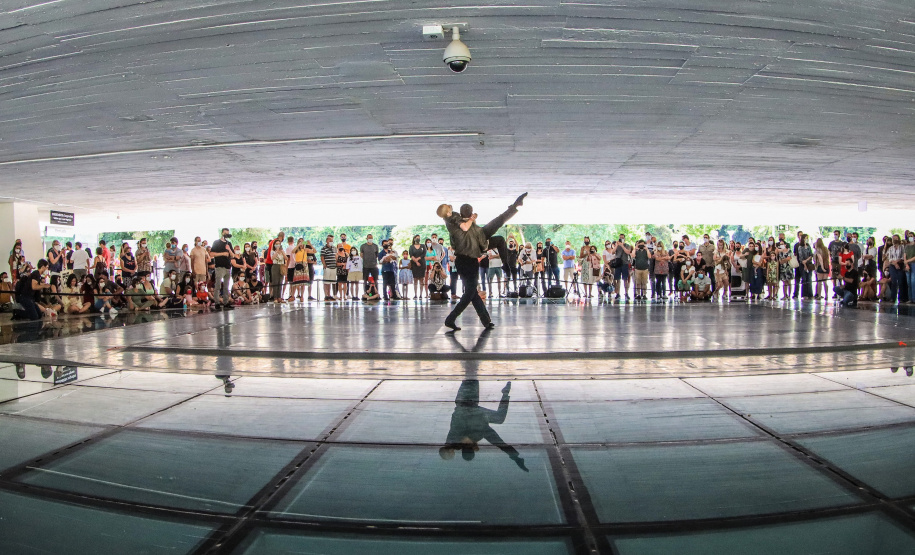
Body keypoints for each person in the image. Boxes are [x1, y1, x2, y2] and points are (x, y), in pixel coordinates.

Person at [440, 192, 526, 331]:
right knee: (470, 293)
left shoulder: (459, 223)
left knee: (473, 293)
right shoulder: (459, 224)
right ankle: (451, 319)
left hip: (467, 259)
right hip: (468, 259)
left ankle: (486, 321)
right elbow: (494, 223)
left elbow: (497, 221)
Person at [210, 228, 234, 307]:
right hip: (219, 266)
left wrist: (229, 249)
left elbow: (232, 255)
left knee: (226, 286)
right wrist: (222, 253)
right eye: (225, 233)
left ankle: (226, 302)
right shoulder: (216, 242)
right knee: (218, 285)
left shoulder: (229, 243)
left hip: (227, 267)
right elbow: (211, 254)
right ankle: (217, 302)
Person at [613, 234, 632, 300]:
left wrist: (622, 246)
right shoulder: (617, 245)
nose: (621, 239)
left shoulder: (627, 245)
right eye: (620, 238)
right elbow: (613, 252)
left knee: (625, 279)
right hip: (618, 264)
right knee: (618, 279)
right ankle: (618, 293)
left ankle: (626, 293)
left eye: (622, 238)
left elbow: (628, 252)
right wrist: (616, 245)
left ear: (624, 239)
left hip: (625, 263)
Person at [409, 235, 427, 300]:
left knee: (422, 279)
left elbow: (424, 254)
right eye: (416, 238)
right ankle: (415, 294)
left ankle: (421, 294)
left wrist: (418, 259)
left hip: (422, 263)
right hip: (414, 264)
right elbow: (411, 255)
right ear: (414, 239)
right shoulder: (411, 247)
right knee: (415, 279)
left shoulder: (423, 246)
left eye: (419, 238)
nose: (418, 239)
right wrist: (416, 261)